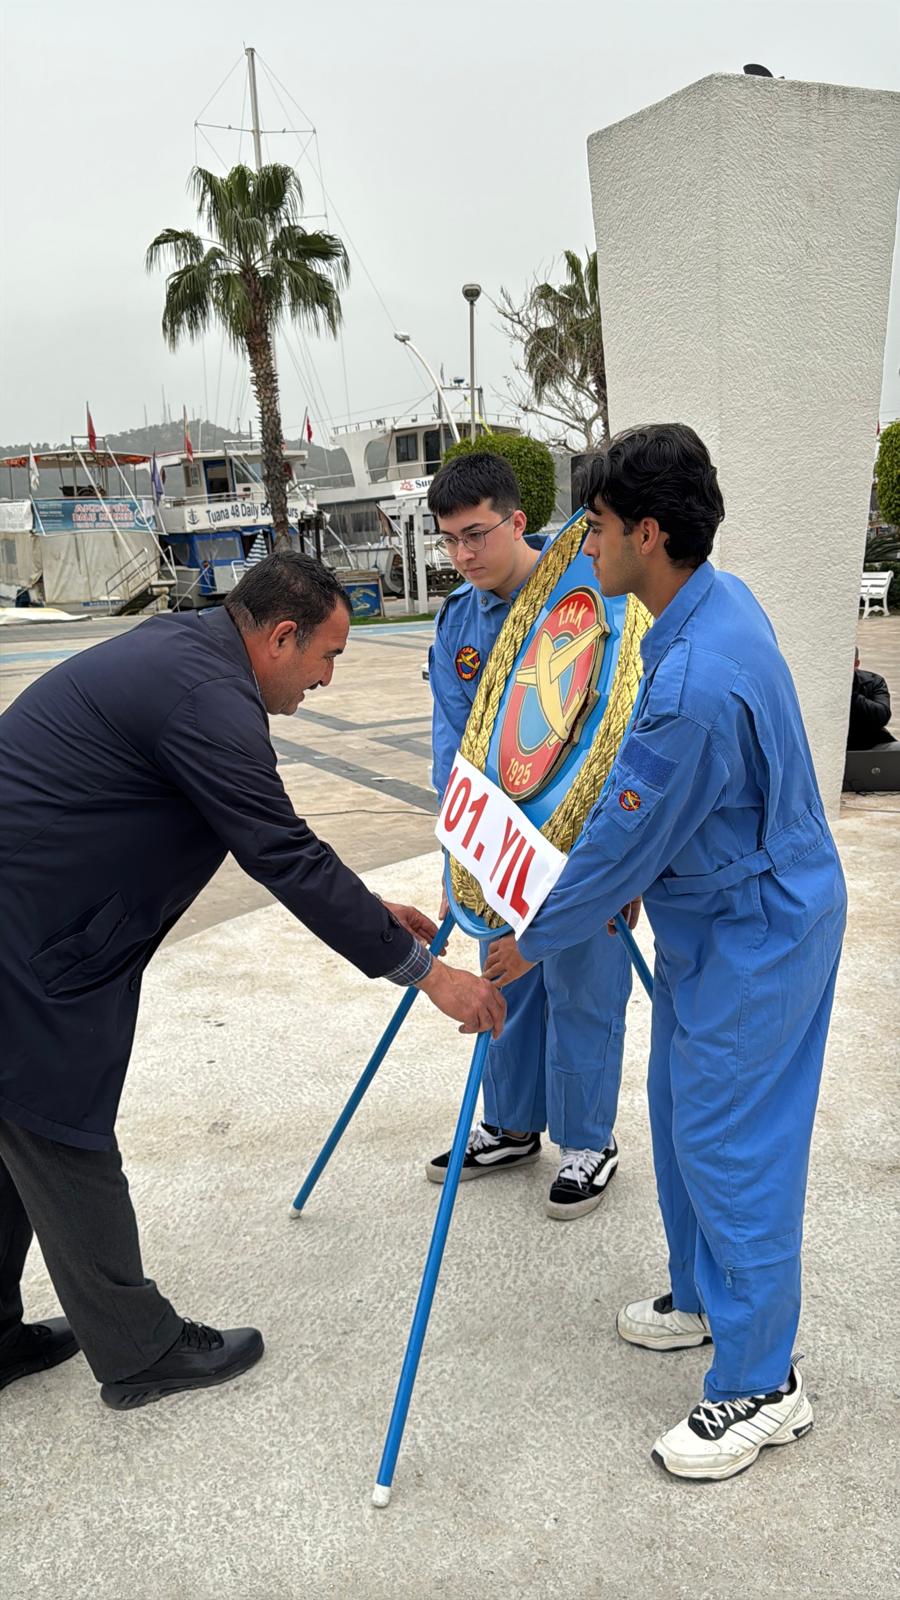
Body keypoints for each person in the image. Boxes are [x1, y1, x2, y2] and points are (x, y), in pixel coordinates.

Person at [0, 552, 504, 1409]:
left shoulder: (189, 654)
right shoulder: (208, 701)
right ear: (279, 636)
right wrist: (428, 975)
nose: (329, 679)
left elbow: (262, 834)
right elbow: (283, 853)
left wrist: (374, 909)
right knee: (57, 1126)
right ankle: (139, 1351)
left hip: (33, 911)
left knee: (13, 1131)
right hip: (26, 937)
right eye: (328, 656)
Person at [486, 424, 847, 1481]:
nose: (582, 542)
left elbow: (618, 841)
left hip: (758, 929)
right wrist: (635, 880)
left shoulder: (694, 678)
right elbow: (676, 813)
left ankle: (761, 1383)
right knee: (685, 1115)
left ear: (648, 531)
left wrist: (522, 941)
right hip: (719, 910)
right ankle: (702, 1298)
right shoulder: (708, 602)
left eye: (595, 524)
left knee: (736, 1147)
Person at [426, 453, 634, 1218]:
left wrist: (625, 865)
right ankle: (511, 1123)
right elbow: (453, 747)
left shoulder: (593, 592)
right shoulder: (461, 621)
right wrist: (463, 857)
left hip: (581, 847)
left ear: (518, 522)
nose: (464, 555)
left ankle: (588, 1141)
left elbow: (618, 727)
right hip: (502, 847)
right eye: (448, 540)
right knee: (504, 981)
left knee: (585, 987)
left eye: (476, 534)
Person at [847, 647, 894, 748]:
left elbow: (883, 716)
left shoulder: (874, 681)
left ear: (856, 664)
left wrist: (851, 695)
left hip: (870, 740)